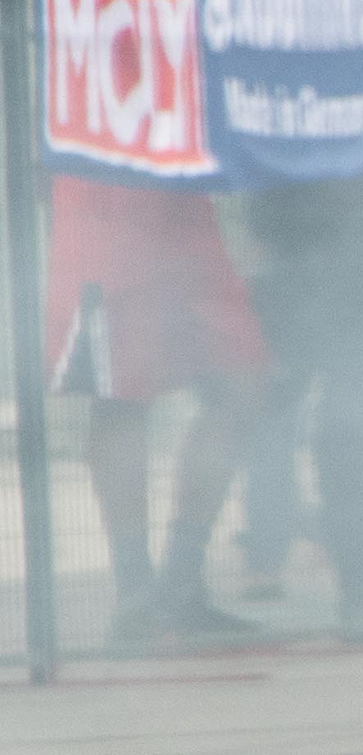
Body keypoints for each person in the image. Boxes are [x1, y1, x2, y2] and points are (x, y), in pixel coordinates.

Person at [43, 177, 268, 645]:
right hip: (107, 184)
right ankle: (135, 597)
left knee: (243, 377)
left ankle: (181, 582)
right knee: (122, 389)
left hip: (184, 186)